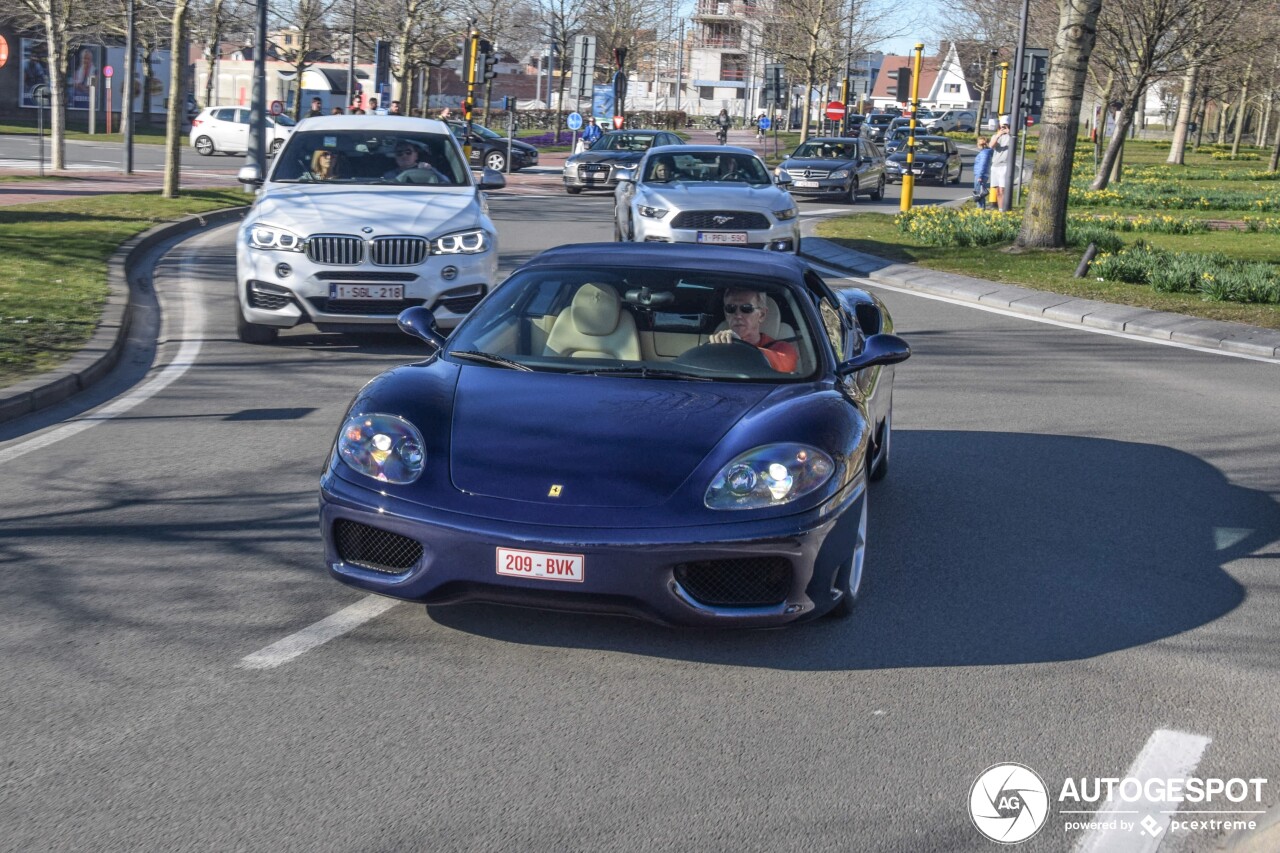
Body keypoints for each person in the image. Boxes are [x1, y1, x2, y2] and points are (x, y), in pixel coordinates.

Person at [708, 288, 798, 373]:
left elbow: (785, 366)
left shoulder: (783, 348)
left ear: (761, 315)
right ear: (726, 314)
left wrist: (737, 348)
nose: (738, 315)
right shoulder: (715, 345)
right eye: (730, 308)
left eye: (746, 308)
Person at [990, 116, 1012, 209]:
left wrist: (1009, 133)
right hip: (995, 165)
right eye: (1002, 126)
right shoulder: (996, 136)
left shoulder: (1011, 136)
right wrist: (998, 135)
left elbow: (1014, 144)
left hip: (1005, 165)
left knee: (1002, 189)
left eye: (1005, 125)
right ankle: (1000, 210)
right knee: (997, 190)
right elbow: (991, 145)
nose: (1003, 127)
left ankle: (1003, 210)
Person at [972, 135, 992, 210]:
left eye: (978, 143)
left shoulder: (984, 153)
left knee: (978, 193)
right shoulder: (986, 152)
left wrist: (980, 176)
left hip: (980, 175)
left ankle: (980, 209)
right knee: (981, 193)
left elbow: (982, 165)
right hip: (982, 174)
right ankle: (981, 208)